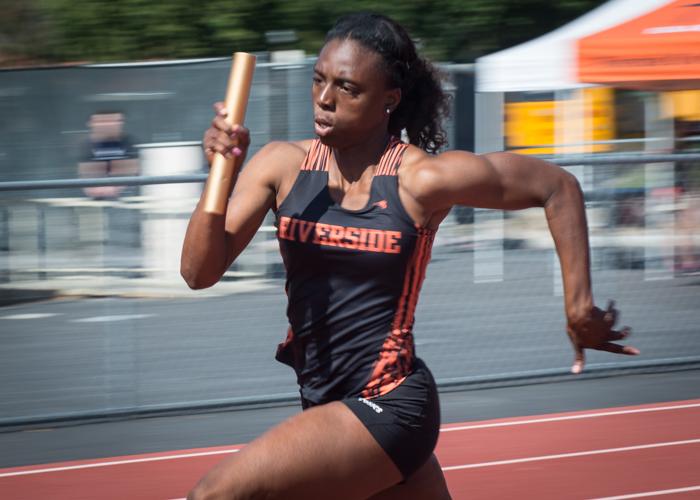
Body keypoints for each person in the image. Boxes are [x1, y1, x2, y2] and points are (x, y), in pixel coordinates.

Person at [181, 12, 639, 500]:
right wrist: (220, 173)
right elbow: (198, 271)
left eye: (347, 88)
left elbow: (557, 187)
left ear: (389, 100)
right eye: (318, 80)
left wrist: (578, 307)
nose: (324, 99)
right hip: (326, 406)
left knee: (216, 494)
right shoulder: (281, 166)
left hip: (390, 404)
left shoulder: (420, 180)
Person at [78, 111, 139, 199]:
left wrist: (116, 189)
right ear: (91, 124)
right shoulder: (86, 144)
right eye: (102, 122)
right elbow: (85, 173)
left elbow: (131, 171)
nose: (108, 124)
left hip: (125, 195)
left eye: (114, 121)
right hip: (95, 195)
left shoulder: (128, 141)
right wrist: (95, 190)